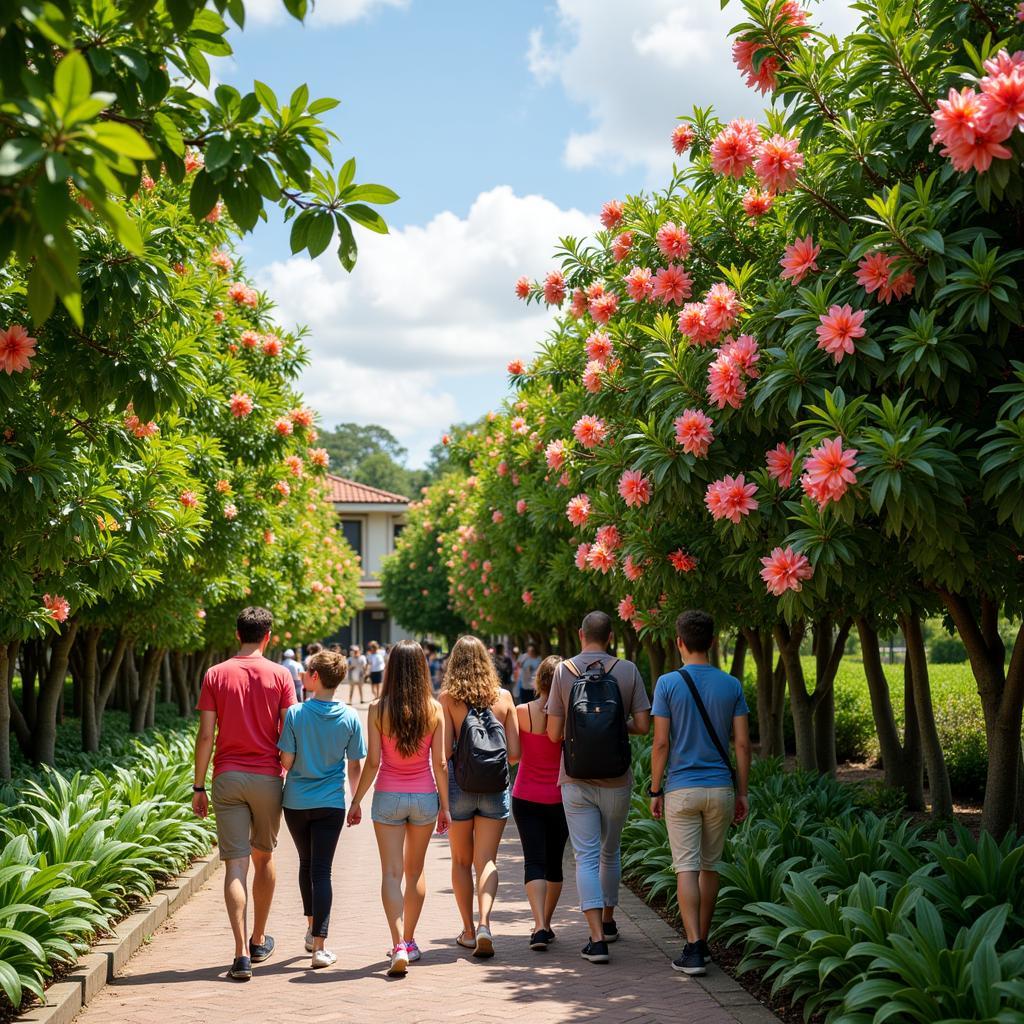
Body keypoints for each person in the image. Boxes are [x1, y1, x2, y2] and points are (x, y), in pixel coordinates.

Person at [193, 606, 296, 980]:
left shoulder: (215, 674)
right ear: (267, 636)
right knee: (264, 859)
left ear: (237, 634)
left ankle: (239, 955)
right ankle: (258, 938)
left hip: (227, 777)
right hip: (268, 777)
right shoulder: (281, 675)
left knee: (235, 865)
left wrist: (198, 785)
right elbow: (291, 730)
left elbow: (206, 736)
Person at [649, 610, 751, 977]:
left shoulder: (667, 684)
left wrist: (655, 789)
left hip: (681, 789)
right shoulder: (731, 685)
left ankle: (692, 947)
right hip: (721, 789)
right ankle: (703, 941)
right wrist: (743, 792)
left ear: (679, 642)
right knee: (710, 867)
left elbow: (661, 744)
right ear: (711, 642)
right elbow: (742, 744)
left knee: (686, 867)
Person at [546, 610, 651, 964]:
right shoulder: (628, 670)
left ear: (580, 634)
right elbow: (643, 725)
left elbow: (554, 734)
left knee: (585, 856)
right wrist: (613, 726)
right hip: (617, 778)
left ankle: (596, 940)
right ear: (611, 636)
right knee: (611, 851)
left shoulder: (564, 671)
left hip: (575, 779)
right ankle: (608, 922)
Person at [348, 641, 450, 976]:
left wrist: (357, 799)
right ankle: (409, 940)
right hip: (424, 798)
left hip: (388, 797)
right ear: (422, 667)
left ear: (390, 667)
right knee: (415, 872)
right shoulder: (434, 709)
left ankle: (397, 947)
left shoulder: (378, 708)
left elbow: (374, 762)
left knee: (391, 874)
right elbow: (440, 764)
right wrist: (445, 807)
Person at [278, 650, 366, 969]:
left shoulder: (296, 714)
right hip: (331, 802)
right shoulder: (350, 716)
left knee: (306, 864)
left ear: (315, 676)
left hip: (297, 802)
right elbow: (355, 765)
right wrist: (356, 801)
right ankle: (319, 946)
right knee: (322, 871)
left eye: (306, 670)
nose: (301, 673)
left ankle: (309, 928)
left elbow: (286, 761)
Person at [440, 636, 520, 958]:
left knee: (461, 861)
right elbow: (514, 754)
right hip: (494, 787)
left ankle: (468, 930)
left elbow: (445, 752)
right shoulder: (504, 698)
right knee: (486, 860)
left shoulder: (448, 698)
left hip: (460, 787)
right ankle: (486, 923)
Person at [512, 655, 569, 951]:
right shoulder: (571, 715)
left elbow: (514, 755)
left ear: (539, 680)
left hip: (525, 796)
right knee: (554, 863)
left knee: (533, 860)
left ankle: (538, 926)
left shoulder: (521, 711)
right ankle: (546, 923)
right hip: (561, 797)